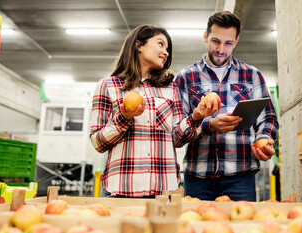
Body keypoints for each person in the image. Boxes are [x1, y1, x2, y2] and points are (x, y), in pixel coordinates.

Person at [89, 24, 220, 198]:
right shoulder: (108, 86)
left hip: (163, 192)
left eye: (167, 49)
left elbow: (177, 139)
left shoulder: (171, 88)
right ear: (138, 45)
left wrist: (196, 116)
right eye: (160, 44)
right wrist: (124, 117)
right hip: (122, 191)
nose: (166, 52)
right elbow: (98, 143)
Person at [174, 11, 279, 201]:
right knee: (196, 228)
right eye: (215, 41)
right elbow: (176, 135)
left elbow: (268, 118)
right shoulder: (185, 78)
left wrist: (264, 140)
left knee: (242, 230)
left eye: (228, 43)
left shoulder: (252, 75)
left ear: (236, 41)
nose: (221, 49)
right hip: (198, 177)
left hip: (241, 176)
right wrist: (208, 126)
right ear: (205, 37)